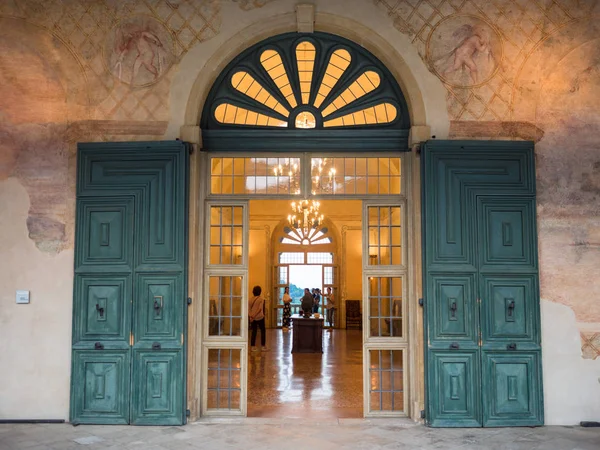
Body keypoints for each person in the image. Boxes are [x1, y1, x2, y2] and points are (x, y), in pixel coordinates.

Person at [249, 285, 267, 352]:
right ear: (260, 292)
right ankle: (263, 346)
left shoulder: (250, 299)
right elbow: (260, 309)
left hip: (253, 318)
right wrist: (254, 315)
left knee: (254, 331)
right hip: (260, 317)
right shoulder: (261, 299)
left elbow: (249, 309)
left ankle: (252, 346)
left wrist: (251, 316)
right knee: (263, 331)